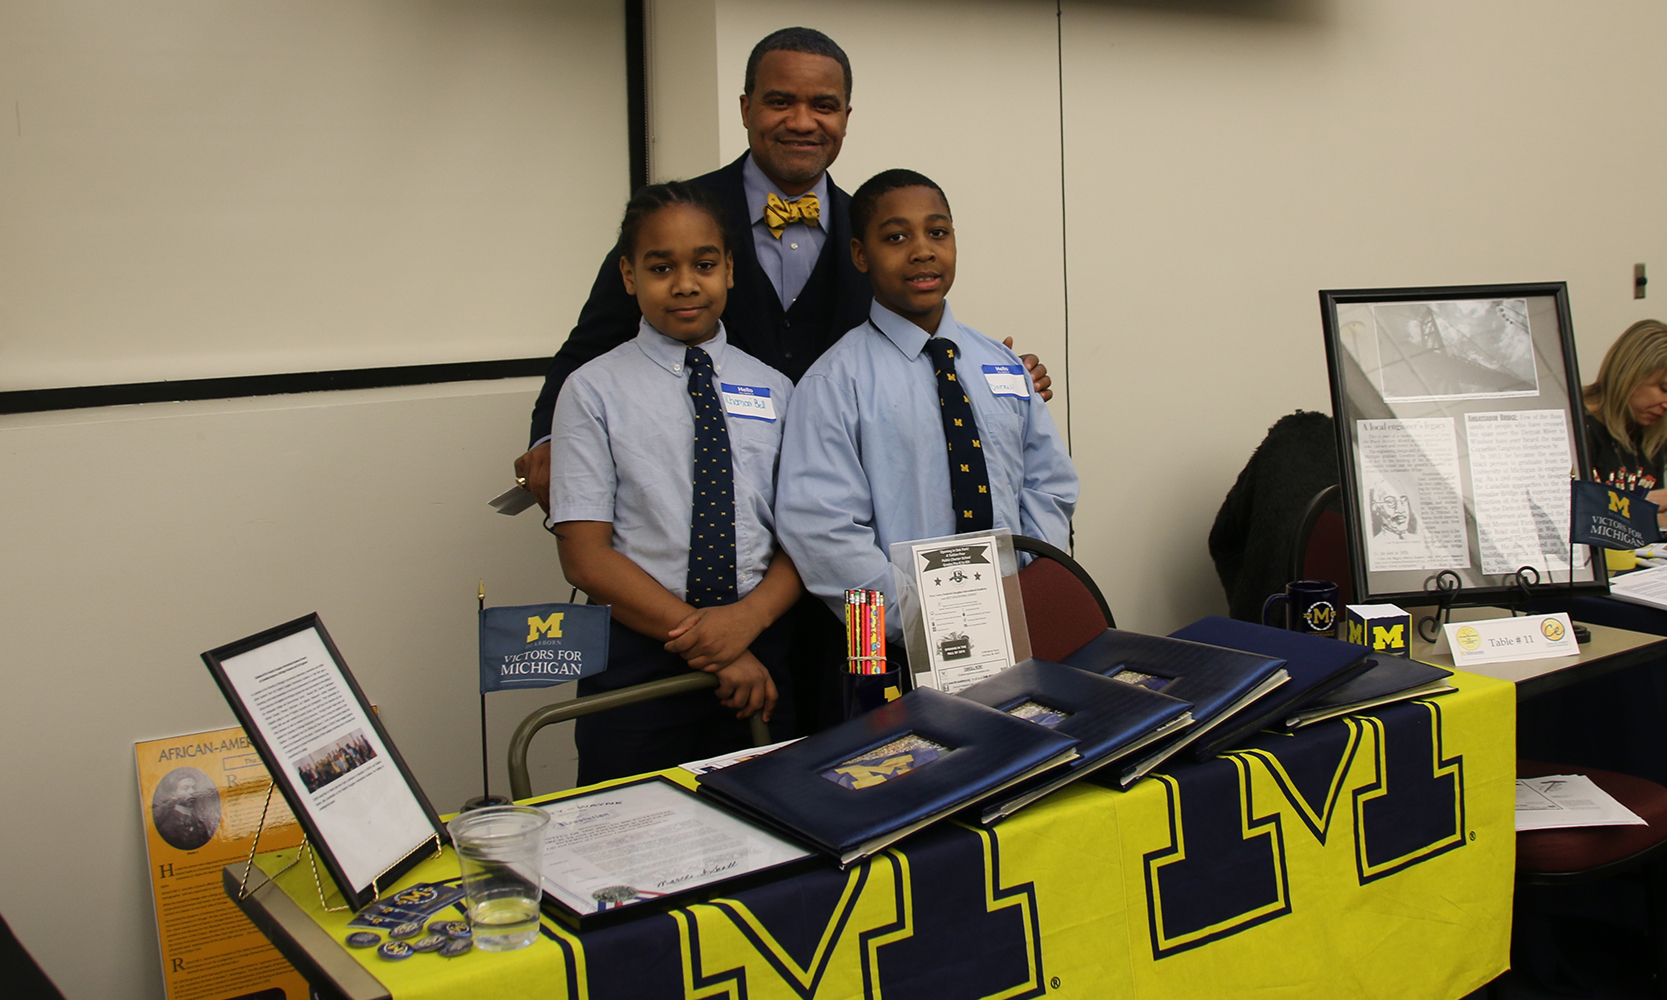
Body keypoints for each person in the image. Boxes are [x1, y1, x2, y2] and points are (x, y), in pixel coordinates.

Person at [549, 182, 801, 784]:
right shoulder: (591, 391)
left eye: (704, 265)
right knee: (630, 844)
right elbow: (585, 557)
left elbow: (805, 533)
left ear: (730, 270)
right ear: (629, 276)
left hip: (761, 654)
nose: (685, 284)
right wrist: (717, 647)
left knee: (771, 838)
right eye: (661, 267)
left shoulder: (777, 390)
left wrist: (746, 625)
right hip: (639, 660)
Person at [774, 169, 1078, 653]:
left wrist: (1031, 589)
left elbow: (1049, 484)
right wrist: (922, 622)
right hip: (898, 643)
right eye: (896, 237)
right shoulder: (834, 382)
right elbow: (819, 529)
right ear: (860, 254)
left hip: (1016, 621)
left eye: (938, 232)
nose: (922, 250)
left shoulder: (1000, 365)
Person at [1583, 319, 1667, 513]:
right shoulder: (1578, 427)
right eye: (1664, 389)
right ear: (1630, 374)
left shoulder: (1653, 433)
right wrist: (1642, 502)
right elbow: (1574, 514)